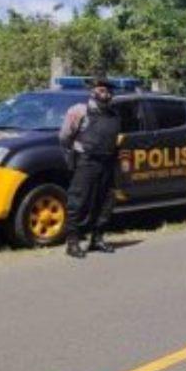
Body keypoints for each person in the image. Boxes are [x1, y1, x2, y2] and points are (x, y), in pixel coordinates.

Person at [59, 78, 121, 258]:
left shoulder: (114, 114)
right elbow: (64, 137)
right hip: (86, 161)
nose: (106, 93)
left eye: (109, 91)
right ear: (93, 91)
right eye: (102, 90)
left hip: (107, 162)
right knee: (79, 201)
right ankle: (72, 242)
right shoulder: (79, 111)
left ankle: (97, 239)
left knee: (105, 202)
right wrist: (73, 157)